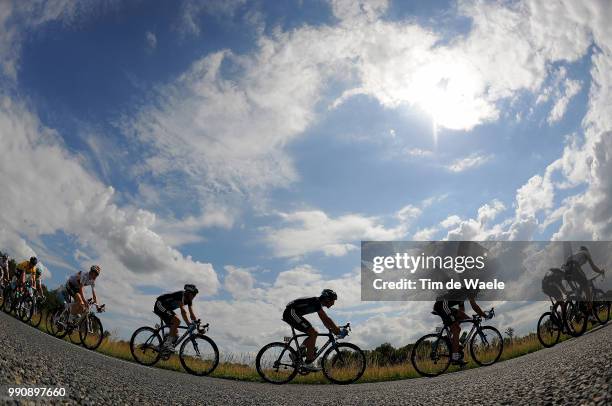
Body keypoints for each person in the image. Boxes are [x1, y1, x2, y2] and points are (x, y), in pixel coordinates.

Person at [282, 289, 346, 371]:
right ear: (327, 299)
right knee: (313, 333)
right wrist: (337, 330)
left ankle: (298, 353)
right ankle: (308, 363)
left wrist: (333, 330)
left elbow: (325, 321)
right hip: (290, 313)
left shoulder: (317, 303)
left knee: (313, 333)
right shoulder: (316, 302)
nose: (334, 303)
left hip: (293, 313)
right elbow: (326, 318)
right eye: (333, 300)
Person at [433, 291, 491, 366]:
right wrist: (485, 316)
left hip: (443, 306)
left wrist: (471, 319)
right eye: (477, 291)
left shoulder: (462, 297)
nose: (476, 294)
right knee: (456, 329)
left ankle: (450, 341)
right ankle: (455, 358)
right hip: (442, 306)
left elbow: (461, 312)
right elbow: (474, 306)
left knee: (458, 326)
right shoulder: (469, 290)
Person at [154, 284, 200, 352]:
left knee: (175, 335)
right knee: (177, 321)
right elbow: (183, 311)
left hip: (167, 308)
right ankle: (167, 344)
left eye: (195, 295)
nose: (194, 296)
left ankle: (161, 346)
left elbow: (192, 314)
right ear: (188, 292)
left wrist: (197, 323)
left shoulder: (189, 300)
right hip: (160, 305)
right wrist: (188, 324)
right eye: (193, 294)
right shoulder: (181, 295)